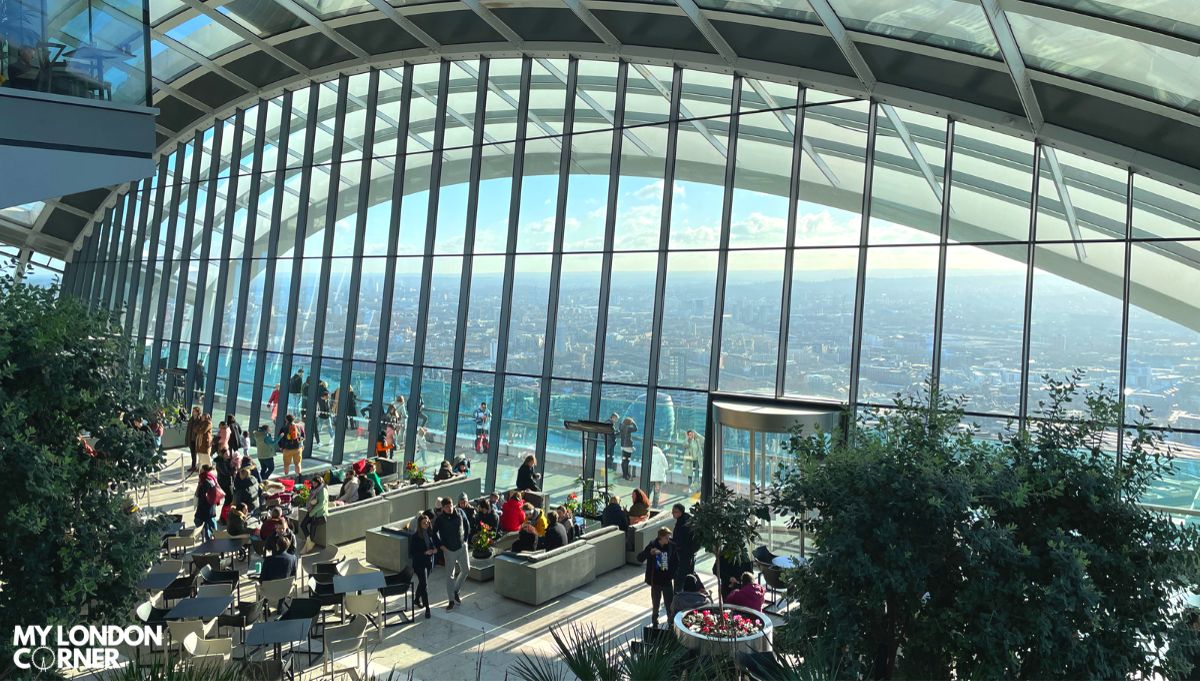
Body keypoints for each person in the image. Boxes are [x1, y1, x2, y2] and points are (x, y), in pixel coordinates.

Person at [433, 497, 470, 611]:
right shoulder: (440, 519)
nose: (449, 508)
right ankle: (451, 600)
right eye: (446, 507)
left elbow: (467, 525)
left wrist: (465, 540)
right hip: (448, 550)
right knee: (450, 576)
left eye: (451, 505)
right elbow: (433, 533)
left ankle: (456, 590)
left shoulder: (460, 512)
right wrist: (441, 546)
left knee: (466, 569)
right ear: (443, 508)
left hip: (462, 547)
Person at [637, 527, 677, 627]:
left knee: (669, 604)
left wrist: (672, 574)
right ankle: (655, 621)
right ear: (661, 538)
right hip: (656, 580)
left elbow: (676, 561)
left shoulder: (671, 546)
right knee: (656, 604)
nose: (669, 540)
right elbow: (639, 558)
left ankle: (671, 622)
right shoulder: (652, 545)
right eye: (667, 538)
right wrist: (649, 553)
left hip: (667, 580)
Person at [409, 513, 437, 619]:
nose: (426, 524)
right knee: (424, 584)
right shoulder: (416, 537)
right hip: (419, 563)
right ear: (419, 524)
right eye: (423, 523)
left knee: (422, 583)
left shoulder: (431, 533)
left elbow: (435, 543)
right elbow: (412, 552)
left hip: (429, 562)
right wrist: (425, 552)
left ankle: (416, 599)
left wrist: (435, 549)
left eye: (427, 523)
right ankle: (427, 608)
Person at [671, 503, 698, 593]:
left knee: (680, 576)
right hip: (688, 553)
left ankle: (678, 594)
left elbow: (679, 539)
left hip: (683, 554)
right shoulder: (687, 520)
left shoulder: (683, 524)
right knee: (688, 573)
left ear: (680, 512)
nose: (673, 513)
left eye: (675, 511)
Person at [194, 465, 222, 541]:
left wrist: (198, 486)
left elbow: (198, 494)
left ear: (204, 471)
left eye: (201, 469)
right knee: (211, 524)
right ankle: (214, 538)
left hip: (205, 507)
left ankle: (209, 540)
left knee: (199, 521)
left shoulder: (204, 480)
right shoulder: (212, 478)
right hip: (211, 507)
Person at [300, 476, 328, 553]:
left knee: (312, 529)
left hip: (318, 514)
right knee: (303, 525)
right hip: (311, 511)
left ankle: (308, 545)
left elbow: (321, 504)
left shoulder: (323, 490)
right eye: (313, 482)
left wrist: (312, 513)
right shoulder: (314, 490)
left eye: (315, 482)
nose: (314, 484)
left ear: (319, 482)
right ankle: (309, 543)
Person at [616, 416, 638, 481]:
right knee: (627, 461)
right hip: (628, 446)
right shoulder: (628, 428)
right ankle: (626, 475)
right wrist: (633, 423)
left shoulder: (621, 426)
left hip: (623, 445)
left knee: (624, 460)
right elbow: (635, 429)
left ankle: (625, 474)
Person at [186, 407, 205, 472]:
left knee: (199, 454)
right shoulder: (191, 419)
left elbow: (200, 429)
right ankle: (193, 466)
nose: (193, 412)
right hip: (191, 438)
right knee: (193, 454)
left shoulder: (200, 420)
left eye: (194, 411)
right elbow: (188, 430)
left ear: (197, 412)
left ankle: (199, 467)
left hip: (197, 439)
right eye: (193, 411)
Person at [650, 442, 669, 507]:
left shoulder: (649, 453)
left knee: (647, 491)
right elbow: (666, 465)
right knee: (657, 493)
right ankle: (655, 506)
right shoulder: (661, 455)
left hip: (650, 477)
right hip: (659, 478)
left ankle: (644, 504)